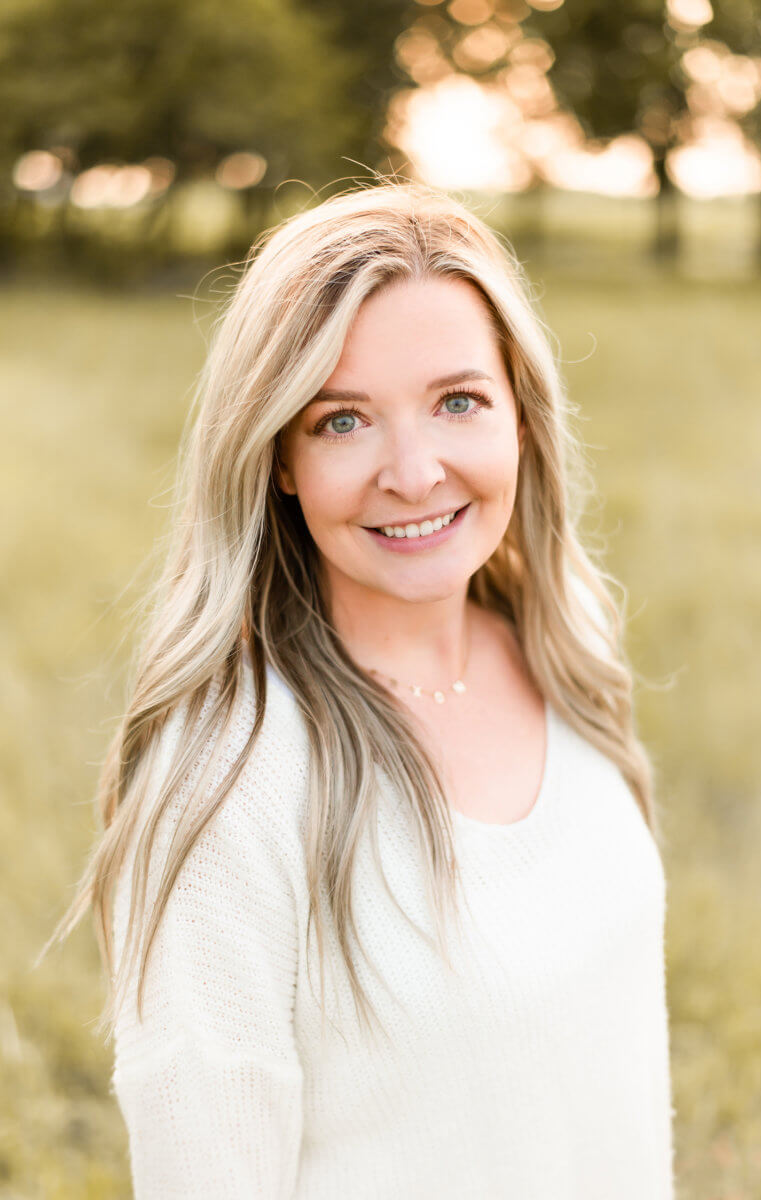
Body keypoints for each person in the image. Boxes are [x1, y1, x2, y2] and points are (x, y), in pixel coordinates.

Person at [50, 180, 675, 1197]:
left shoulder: (565, 655)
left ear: (520, 412)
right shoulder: (232, 776)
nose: (415, 471)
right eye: (344, 421)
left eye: (458, 401)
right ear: (279, 459)